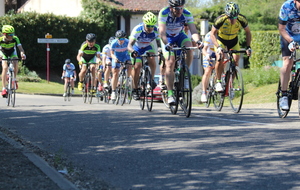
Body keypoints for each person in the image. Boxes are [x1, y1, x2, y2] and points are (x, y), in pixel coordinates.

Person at [158, 0, 202, 104]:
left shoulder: (187, 13)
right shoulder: (164, 12)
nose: (179, 11)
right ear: (171, 7)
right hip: (167, 37)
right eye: (177, 8)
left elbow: (193, 31)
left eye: (181, 8)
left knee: (189, 48)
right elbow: (162, 32)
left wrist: (198, 41)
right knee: (170, 62)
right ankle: (169, 94)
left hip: (179, 35)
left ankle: (185, 74)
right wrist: (167, 44)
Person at [210, 2, 252, 92]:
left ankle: (230, 85)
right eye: (230, 18)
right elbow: (212, 34)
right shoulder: (220, 19)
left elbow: (248, 32)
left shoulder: (242, 19)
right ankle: (218, 81)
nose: (232, 20)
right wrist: (218, 47)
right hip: (221, 40)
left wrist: (248, 47)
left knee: (236, 62)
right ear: (226, 15)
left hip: (233, 41)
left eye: (235, 18)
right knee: (220, 58)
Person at [128, 11, 161, 100]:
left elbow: (159, 44)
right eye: (148, 26)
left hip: (147, 46)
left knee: (152, 58)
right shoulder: (137, 29)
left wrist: (160, 50)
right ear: (144, 23)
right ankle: (135, 89)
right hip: (137, 47)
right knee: (137, 66)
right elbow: (129, 45)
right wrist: (133, 51)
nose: (150, 28)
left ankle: (152, 79)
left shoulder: (156, 30)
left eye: (152, 26)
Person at [278, 0, 300, 110]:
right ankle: (284, 95)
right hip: (288, 36)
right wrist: (291, 41)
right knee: (287, 63)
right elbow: (281, 28)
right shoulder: (287, 6)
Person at [0, 25, 26, 97]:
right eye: (10, 34)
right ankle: (4, 88)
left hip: (12, 52)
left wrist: (22, 54)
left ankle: (14, 79)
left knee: (16, 62)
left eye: (13, 34)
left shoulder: (15, 38)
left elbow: (20, 48)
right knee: (5, 67)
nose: (12, 36)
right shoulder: (1, 39)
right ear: (5, 34)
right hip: (3, 52)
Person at [110, 30, 132, 101]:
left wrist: (129, 60)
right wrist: (115, 58)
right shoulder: (113, 43)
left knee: (129, 64)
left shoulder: (127, 42)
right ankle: (113, 92)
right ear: (116, 38)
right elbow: (111, 54)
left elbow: (130, 52)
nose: (121, 40)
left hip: (125, 56)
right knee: (115, 73)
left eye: (122, 39)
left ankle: (128, 78)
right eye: (119, 39)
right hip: (117, 57)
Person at [201, 31, 216, 103]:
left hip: (218, 54)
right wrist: (207, 55)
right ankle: (204, 92)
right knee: (207, 71)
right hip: (208, 53)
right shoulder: (209, 35)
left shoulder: (224, 33)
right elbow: (204, 49)